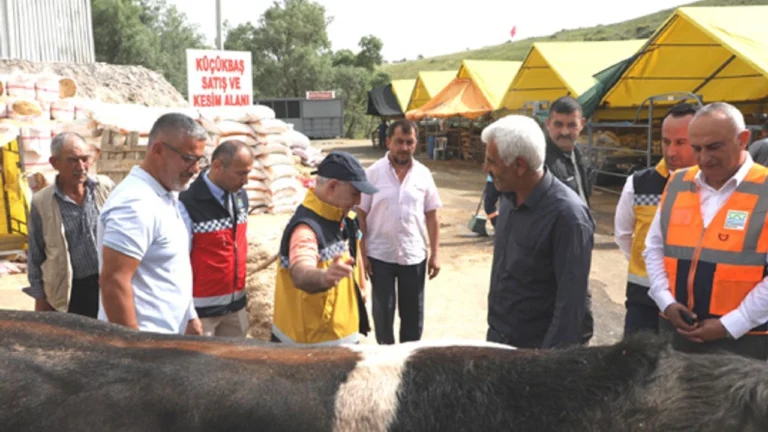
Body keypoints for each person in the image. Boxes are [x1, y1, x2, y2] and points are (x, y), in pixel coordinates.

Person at [644, 102, 768, 361]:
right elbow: (653, 247)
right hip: (678, 335)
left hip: (746, 345)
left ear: (743, 140)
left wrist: (732, 323)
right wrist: (665, 301)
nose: (703, 158)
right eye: (696, 148)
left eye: (714, 147)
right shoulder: (678, 182)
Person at [483, 114, 595, 349]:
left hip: (537, 356)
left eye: (492, 161)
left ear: (519, 165)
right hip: (501, 342)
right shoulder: (509, 200)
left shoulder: (568, 217)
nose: (486, 168)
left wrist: (547, 367)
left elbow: (570, 307)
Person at [97, 113, 207, 335]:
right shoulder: (135, 203)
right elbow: (114, 281)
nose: (195, 169)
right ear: (158, 150)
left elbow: (170, 267)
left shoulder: (165, 194)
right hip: (147, 349)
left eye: (199, 160)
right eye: (188, 159)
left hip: (165, 345)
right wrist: (135, 350)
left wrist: (189, 317)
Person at [271, 151, 377, 346]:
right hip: (313, 351)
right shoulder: (306, 230)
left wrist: (361, 286)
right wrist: (325, 277)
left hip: (337, 341)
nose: (359, 201)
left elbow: (354, 257)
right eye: (355, 193)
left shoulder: (342, 219)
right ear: (332, 187)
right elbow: (301, 272)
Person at [614, 103, 699, 336]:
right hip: (644, 299)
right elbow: (623, 235)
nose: (671, 151)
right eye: (666, 141)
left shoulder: (711, 188)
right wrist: (646, 265)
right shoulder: (639, 183)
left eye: (681, 142)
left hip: (691, 302)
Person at [358, 119, 442, 345]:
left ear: (416, 144)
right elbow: (361, 215)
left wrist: (435, 253)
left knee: (413, 316)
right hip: (380, 256)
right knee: (383, 316)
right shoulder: (373, 173)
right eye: (399, 142)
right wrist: (363, 255)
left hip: (414, 255)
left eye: (409, 142)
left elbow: (432, 215)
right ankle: (386, 363)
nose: (404, 148)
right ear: (388, 142)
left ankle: (409, 364)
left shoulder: (424, 174)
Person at [25, 132, 114, 318]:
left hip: (108, 284)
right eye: (72, 160)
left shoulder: (104, 187)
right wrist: (40, 299)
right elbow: (35, 255)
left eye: (84, 159)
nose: (81, 167)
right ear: (54, 162)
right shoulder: (42, 202)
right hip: (70, 291)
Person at [178, 140, 254, 337]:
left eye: (248, 173)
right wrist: (188, 313)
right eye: (241, 173)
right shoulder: (188, 202)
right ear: (218, 166)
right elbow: (178, 262)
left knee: (237, 364)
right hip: (202, 313)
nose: (246, 180)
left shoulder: (240, 197)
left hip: (235, 309)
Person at [543, 95, 594, 345]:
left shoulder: (579, 155)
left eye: (571, 125)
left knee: (580, 317)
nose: (565, 132)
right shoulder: (542, 163)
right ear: (547, 125)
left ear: (581, 124)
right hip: (554, 257)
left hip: (578, 251)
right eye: (558, 124)